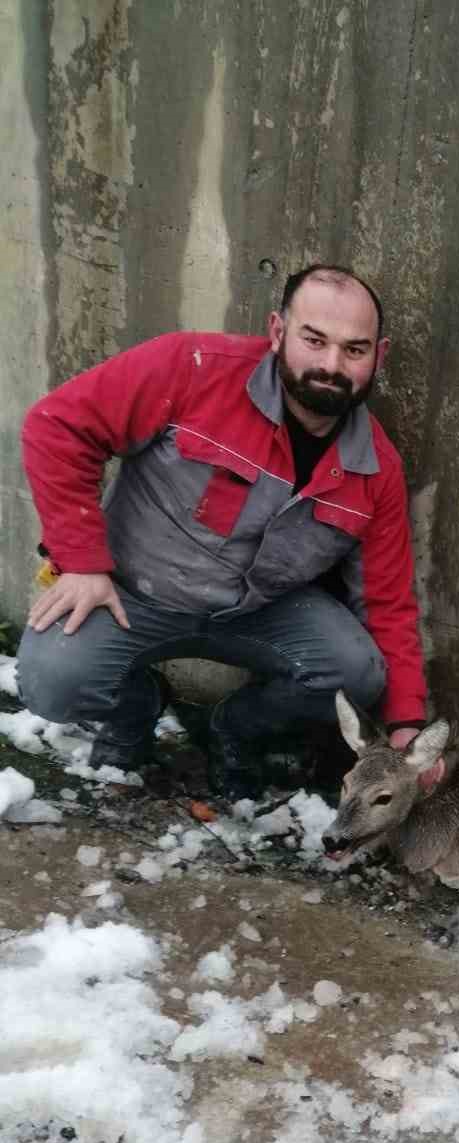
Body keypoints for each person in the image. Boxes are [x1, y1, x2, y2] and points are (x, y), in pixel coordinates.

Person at [17, 263, 430, 800]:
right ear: (278, 331)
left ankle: (234, 730)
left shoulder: (377, 470)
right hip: (133, 595)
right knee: (52, 682)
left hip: (259, 614)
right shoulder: (192, 368)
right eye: (314, 340)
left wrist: (406, 724)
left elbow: (387, 602)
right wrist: (82, 562)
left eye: (355, 349)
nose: (331, 365)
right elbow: (59, 426)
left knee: (356, 673)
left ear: (380, 355)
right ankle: (134, 708)